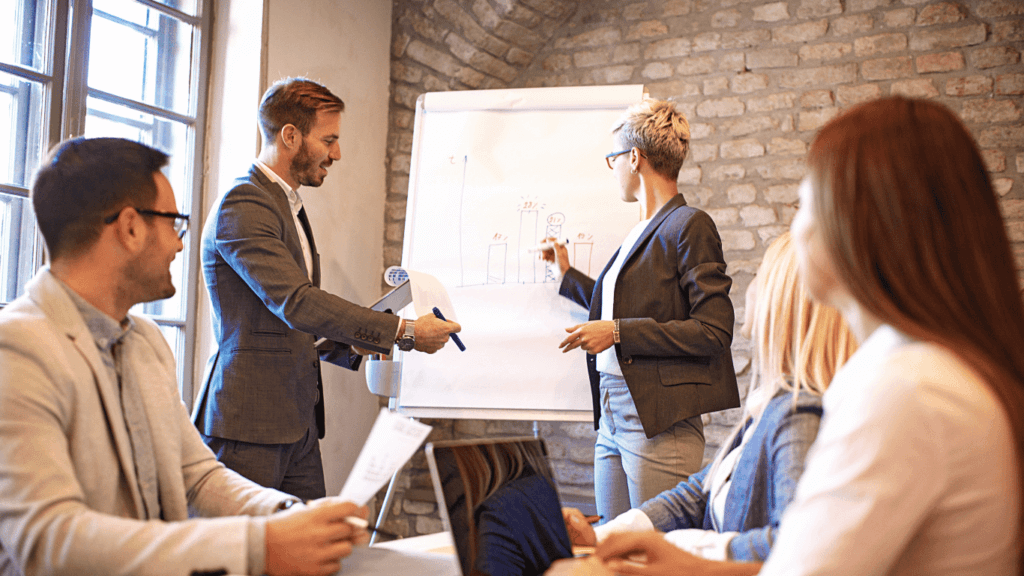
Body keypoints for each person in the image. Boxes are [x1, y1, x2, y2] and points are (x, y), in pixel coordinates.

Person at [549, 96, 1024, 575]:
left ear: (861, 226)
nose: (794, 231)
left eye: (806, 203)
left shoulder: (904, 388)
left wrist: (682, 558)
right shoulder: (915, 371)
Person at [0, 137, 371, 576]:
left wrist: (288, 514)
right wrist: (256, 546)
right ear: (131, 227)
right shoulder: (17, 349)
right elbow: (49, 541)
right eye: (174, 223)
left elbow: (199, 475)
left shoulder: (147, 341)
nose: (180, 246)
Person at [192, 77, 460, 500]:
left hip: (297, 423)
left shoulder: (285, 203)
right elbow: (295, 302)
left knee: (312, 557)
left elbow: (284, 320)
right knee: (244, 556)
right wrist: (403, 332)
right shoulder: (243, 203)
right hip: (249, 425)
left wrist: (350, 344)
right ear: (291, 136)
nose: (337, 153)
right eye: (329, 140)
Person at [563, 232, 856, 562]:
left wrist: (685, 549)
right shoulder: (772, 404)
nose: (750, 287)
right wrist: (602, 536)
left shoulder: (800, 413)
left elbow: (795, 542)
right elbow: (696, 496)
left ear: (784, 298)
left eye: (760, 275)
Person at [540, 98, 740, 520]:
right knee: (614, 549)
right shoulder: (640, 232)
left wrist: (616, 332)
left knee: (655, 555)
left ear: (634, 157)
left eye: (612, 158)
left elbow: (714, 332)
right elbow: (622, 305)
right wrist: (567, 275)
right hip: (612, 411)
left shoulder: (689, 224)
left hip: (656, 419)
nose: (611, 168)